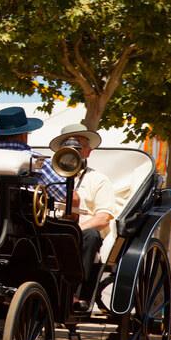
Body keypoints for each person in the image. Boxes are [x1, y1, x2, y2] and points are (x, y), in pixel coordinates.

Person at [47, 124, 115, 311]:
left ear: (88, 152)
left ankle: (75, 293)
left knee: (91, 235)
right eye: (67, 148)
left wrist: (74, 230)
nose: (73, 151)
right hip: (52, 230)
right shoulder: (48, 177)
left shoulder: (98, 179)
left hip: (81, 236)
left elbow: (103, 218)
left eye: (77, 147)